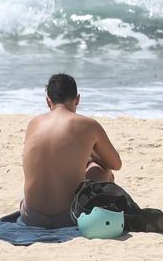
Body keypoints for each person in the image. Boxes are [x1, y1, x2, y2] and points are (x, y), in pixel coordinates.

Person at [19, 73, 122, 228]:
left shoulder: (33, 124)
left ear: (48, 101)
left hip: (31, 217)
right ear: (78, 99)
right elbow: (116, 164)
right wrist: (91, 155)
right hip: (69, 217)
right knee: (102, 170)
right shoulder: (89, 125)